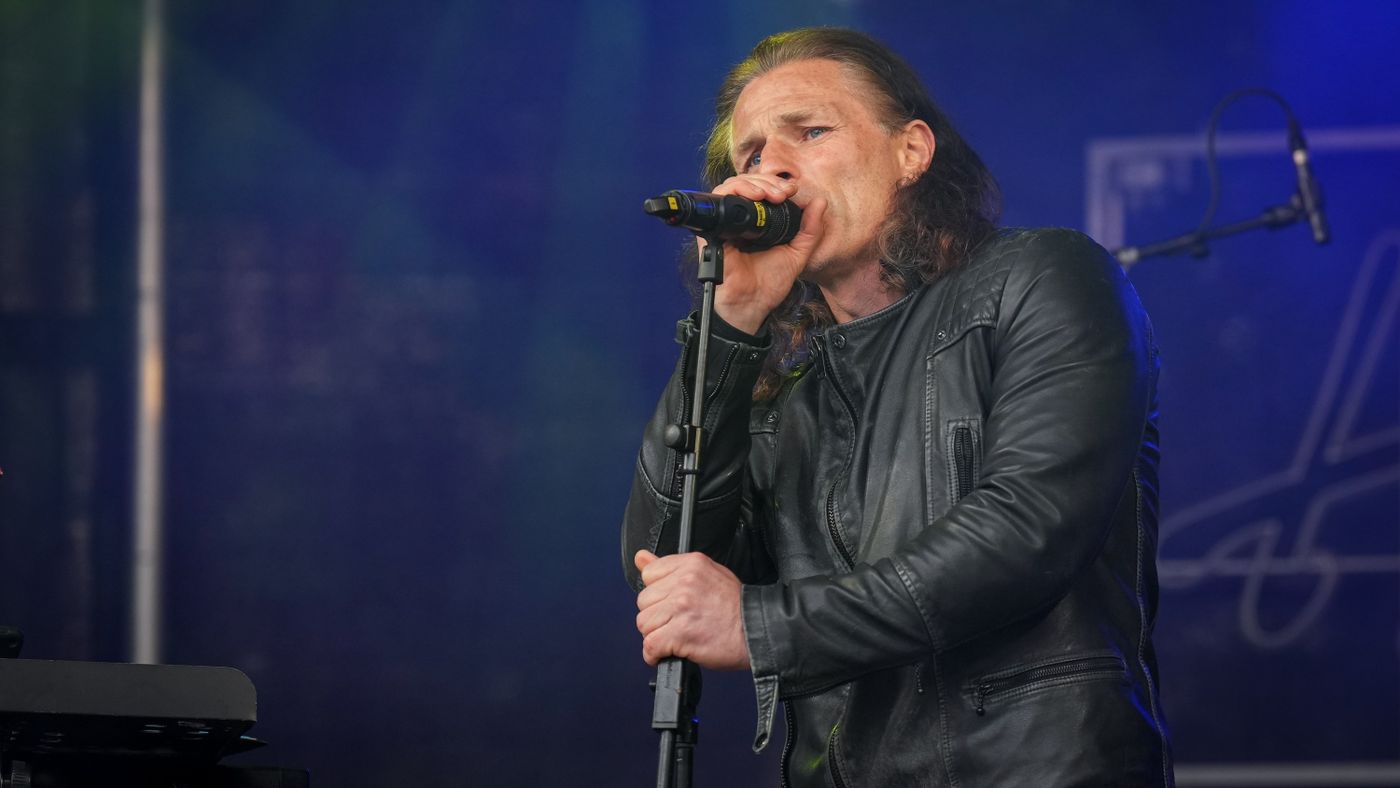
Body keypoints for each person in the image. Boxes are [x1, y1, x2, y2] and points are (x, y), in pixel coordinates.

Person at [622, 27, 1172, 787]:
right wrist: (731, 325)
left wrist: (762, 625)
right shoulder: (783, 389)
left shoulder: (1043, 277)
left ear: (912, 151)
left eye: (810, 132)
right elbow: (666, 563)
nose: (769, 166)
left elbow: (1027, 533)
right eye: (748, 156)